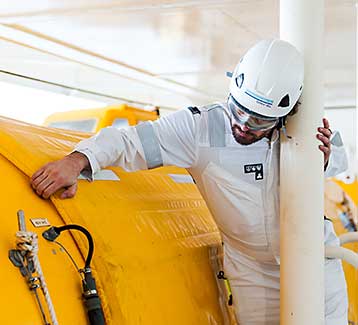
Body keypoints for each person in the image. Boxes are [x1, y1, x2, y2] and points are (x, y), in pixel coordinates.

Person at [31, 39, 348, 325]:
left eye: (258, 121)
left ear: (285, 114)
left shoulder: (305, 126)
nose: (242, 125)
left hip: (314, 259)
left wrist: (322, 159)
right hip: (252, 270)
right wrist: (77, 161)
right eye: (238, 110)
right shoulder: (200, 129)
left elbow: (339, 160)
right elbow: (131, 142)